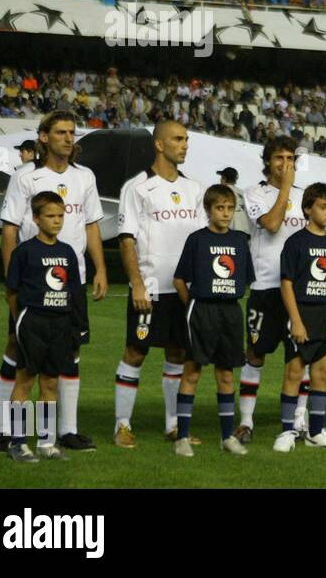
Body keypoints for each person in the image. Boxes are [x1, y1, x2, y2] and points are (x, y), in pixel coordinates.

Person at [0, 111, 107, 453]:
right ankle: (4, 429)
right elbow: (10, 228)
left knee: (70, 351)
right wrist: (11, 280)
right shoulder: (25, 178)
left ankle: (66, 431)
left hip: (71, 281)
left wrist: (100, 268)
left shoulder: (85, 176)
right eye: (61, 132)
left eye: (72, 132)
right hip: (32, 284)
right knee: (18, 349)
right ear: (44, 137)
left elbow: (91, 225)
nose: (69, 138)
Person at [113, 121, 206, 448]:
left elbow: (200, 242)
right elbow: (126, 240)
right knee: (136, 351)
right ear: (159, 144)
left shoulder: (194, 189)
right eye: (178, 139)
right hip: (150, 287)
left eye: (186, 140)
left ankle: (172, 425)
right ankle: (122, 425)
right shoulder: (137, 187)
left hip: (183, 290)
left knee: (178, 353)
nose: (184, 145)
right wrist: (136, 284)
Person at [170, 184, 255, 456]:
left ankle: (227, 437)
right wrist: (193, 306)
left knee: (226, 374)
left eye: (230, 208)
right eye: (220, 208)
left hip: (230, 312)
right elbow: (179, 279)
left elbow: (246, 279)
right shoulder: (197, 240)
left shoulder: (241, 241)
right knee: (192, 371)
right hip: (202, 311)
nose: (226, 213)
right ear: (208, 210)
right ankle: (182, 437)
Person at [237, 137, 308, 444]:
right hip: (266, 287)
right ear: (267, 162)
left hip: (301, 292)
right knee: (255, 353)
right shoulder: (254, 193)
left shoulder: (307, 197)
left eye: (290, 158)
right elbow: (273, 223)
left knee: (300, 357)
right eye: (279, 158)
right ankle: (246, 420)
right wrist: (285, 190)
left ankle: (299, 421)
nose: (285, 164)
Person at [274, 183, 326, 452]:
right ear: (308, 209)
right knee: (294, 372)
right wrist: (295, 320)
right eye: (323, 207)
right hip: (303, 313)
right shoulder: (295, 242)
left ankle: (316, 431)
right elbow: (286, 284)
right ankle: (287, 431)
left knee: (321, 373)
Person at [4, 191, 82, 462]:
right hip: (33, 321)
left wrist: (74, 327)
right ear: (36, 219)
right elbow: (12, 291)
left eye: (60, 216)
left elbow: (73, 291)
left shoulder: (67, 251)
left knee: (50, 382)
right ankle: (17, 442)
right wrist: (20, 322)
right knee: (25, 380)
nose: (57, 221)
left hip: (60, 323)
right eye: (50, 216)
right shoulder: (24, 252)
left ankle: (46, 443)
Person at [217, 166, 250, 233]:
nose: (220, 180)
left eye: (221, 178)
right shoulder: (242, 193)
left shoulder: (221, 192)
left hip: (231, 232)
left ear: (224, 178)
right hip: (246, 232)